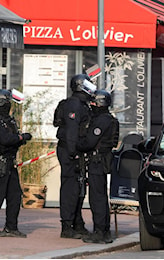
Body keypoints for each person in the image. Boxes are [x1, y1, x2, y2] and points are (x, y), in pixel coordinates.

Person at [0, 89, 32, 238]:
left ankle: (11, 227)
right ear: (1, 103)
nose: (10, 105)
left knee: (15, 195)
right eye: (8, 102)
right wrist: (20, 137)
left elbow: (11, 140)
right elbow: (4, 139)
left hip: (10, 162)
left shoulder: (8, 120)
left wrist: (19, 139)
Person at [54, 73, 96, 239]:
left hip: (77, 150)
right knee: (70, 188)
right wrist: (73, 153)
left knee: (79, 188)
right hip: (70, 151)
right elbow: (72, 131)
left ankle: (77, 223)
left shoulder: (81, 104)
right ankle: (67, 226)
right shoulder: (74, 105)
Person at [77, 90, 120, 244]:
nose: (92, 105)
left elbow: (89, 142)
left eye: (94, 103)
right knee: (100, 196)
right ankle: (104, 230)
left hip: (97, 161)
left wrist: (77, 145)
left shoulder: (102, 120)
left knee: (97, 198)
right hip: (102, 160)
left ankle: (100, 232)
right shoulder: (110, 119)